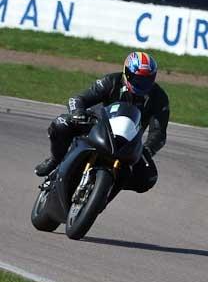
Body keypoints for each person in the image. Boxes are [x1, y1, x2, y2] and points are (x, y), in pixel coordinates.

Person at [35, 51, 169, 195]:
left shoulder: (159, 97)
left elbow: (159, 133)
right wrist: (78, 113)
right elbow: (77, 99)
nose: (142, 84)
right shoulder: (111, 81)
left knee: (148, 178)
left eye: (147, 79)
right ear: (127, 73)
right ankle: (55, 160)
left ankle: (109, 186)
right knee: (60, 124)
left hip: (127, 141)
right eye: (138, 79)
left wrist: (147, 150)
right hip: (97, 126)